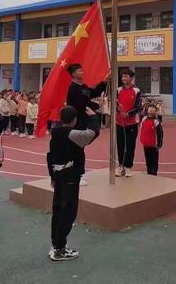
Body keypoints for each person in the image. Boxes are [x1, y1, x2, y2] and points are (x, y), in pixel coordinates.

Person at [47, 106, 100, 261]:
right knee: (68, 212)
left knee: (57, 210)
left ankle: (56, 244)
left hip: (58, 176)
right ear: (74, 120)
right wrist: (93, 117)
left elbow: (49, 157)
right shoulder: (72, 135)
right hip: (69, 177)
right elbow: (92, 133)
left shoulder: (54, 133)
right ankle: (59, 249)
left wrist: (52, 175)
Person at [115, 69, 141, 178]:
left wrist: (128, 114)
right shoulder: (118, 90)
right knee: (120, 145)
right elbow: (114, 104)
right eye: (122, 77)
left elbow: (138, 106)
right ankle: (121, 166)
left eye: (126, 76)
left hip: (132, 124)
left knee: (130, 146)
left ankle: (128, 167)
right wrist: (118, 109)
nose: (123, 79)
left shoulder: (137, 91)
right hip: (119, 123)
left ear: (131, 78)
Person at [140, 103, 164, 175]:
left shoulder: (157, 121)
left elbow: (160, 134)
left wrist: (159, 144)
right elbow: (142, 129)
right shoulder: (144, 119)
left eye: (153, 108)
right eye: (150, 108)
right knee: (147, 159)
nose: (151, 109)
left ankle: (154, 172)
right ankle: (149, 171)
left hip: (154, 145)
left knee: (154, 159)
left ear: (156, 111)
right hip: (146, 144)